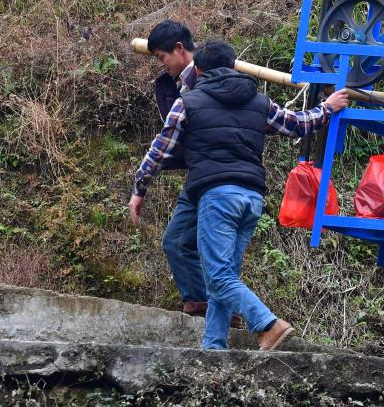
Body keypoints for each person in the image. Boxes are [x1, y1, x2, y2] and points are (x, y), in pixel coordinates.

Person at [129, 40, 349, 351]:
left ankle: (268, 324)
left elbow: (159, 150)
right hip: (251, 199)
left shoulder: (187, 102)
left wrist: (139, 189)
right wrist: (327, 108)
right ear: (233, 67)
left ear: (199, 70)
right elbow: (297, 125)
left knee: (219, 277)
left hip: (217, 196)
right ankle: (213, 347)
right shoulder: (260, 102)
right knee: (224, 275)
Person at [143, 20, 210, 318]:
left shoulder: (209, 77)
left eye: (162, 57)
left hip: (216, 174)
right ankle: (201, 303)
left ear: (179, 48)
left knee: (211, 249)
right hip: (200, 173)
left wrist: (140, 186)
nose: (162, 64)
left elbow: (164, 142)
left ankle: (235, 313)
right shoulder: (175, 84)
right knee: (180, 241)